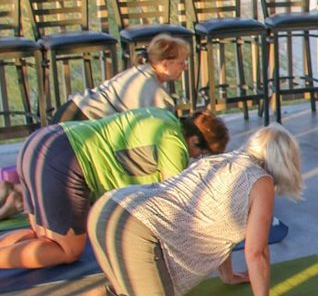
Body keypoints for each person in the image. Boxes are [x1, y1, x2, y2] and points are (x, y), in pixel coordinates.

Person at [8, 125, 306, 296]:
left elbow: (220, 222)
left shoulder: (222, 161)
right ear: (285, 161)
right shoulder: (262, 182)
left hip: (109, 209)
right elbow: (256, 252)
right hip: (137, 226)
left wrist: (227, 275)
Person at [0, 107, 229, 270]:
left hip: (42, 141)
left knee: (43, 238)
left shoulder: (162, 116)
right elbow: (174, 203)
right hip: (64, 158)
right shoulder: (175, 143)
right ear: (195, 141)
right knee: (67, 250)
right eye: (204, 153)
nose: (197, 159)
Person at [51, 34, 190, 123]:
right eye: (181, 62)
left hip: (70, 110)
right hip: (79, 120)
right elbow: (163, 130)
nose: (185, 67)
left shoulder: (139, 72)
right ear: (165, 64)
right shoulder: (154, 92)